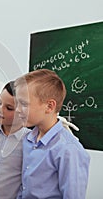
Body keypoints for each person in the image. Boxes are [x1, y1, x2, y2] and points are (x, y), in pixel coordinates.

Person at [14, 69, 90, 199]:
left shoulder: (68, 150)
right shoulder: (28, 139)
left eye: (24, 104)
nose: (17, 109)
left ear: (49, 106)